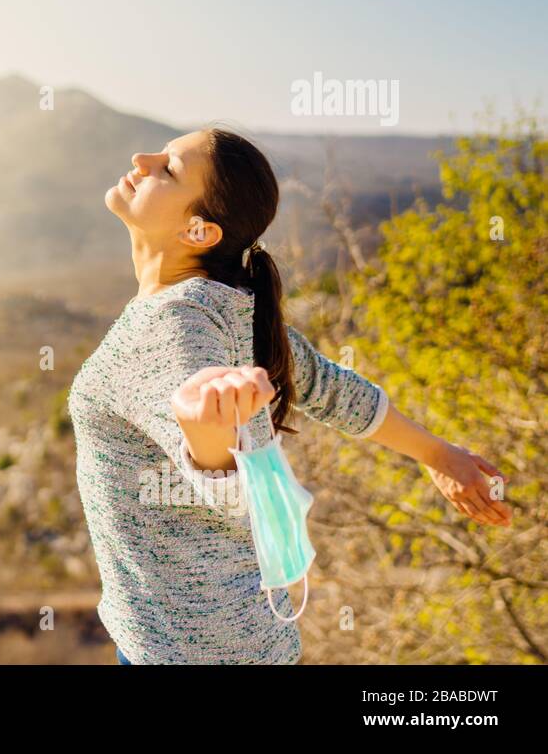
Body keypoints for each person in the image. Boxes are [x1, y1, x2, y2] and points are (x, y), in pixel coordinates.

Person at [70, 128, 512, 665]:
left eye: (169, 170)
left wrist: (211, 440)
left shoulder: (169, 325)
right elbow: (335, 390)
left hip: (185, 651)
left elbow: (226, 484)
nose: (142, 159)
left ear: (200, 232)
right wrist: (440, 455)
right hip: (255, 637)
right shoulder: (235, 306)